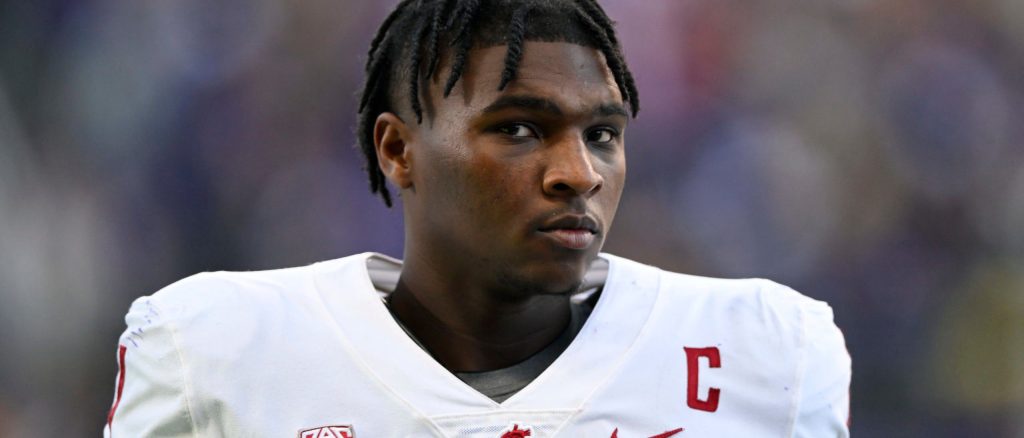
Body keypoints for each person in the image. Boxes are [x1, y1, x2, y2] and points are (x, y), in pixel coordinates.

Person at [104, 0, 851, 436]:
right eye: (519, 128)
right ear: (399, 150)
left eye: (602, 134)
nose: (579, 173)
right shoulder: (215, 354)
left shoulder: (766, 354)